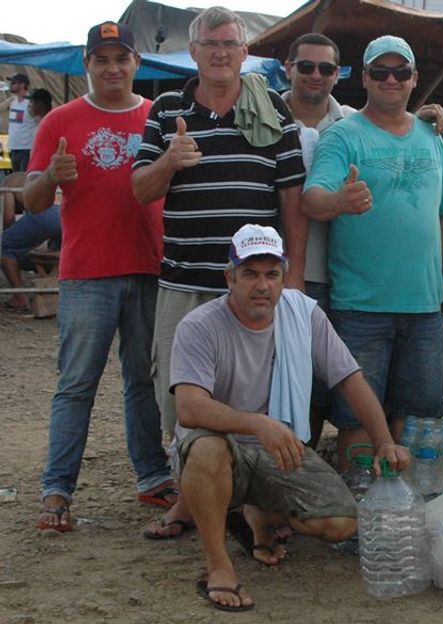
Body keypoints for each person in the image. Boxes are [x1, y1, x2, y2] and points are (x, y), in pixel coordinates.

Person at [132, 7, 306, 536]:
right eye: (210, 43)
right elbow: (141, 190)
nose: (221, 52)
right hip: (187, 279)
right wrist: (171, 160)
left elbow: (291, 198)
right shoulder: (166, 109)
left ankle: (249, 499)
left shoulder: (272, 109)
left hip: (255, 284)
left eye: (230, 43)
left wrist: (292, 279)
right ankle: (188, 500)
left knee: (253, 393)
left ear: (244, 51)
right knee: (177, 395)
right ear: (194, 51)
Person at [173, 224, 409, 611]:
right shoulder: (200, 325)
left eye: (271, 274)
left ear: (284, 276)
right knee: (206, 449)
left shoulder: (303, 314)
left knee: (340, 523)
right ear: (229, 277)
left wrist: (384, 442)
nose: (261, 285)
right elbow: (190, 408)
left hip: (277, 451)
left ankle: (260, 516)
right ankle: (218, 566)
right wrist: (258, 423)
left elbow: (350, 379)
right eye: (249, 273)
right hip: (223, 451)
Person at [23, 22, 174, 532]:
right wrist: (50, 178)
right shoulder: (60, 122)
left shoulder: (158, 117)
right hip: (87, 272)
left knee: (143, 382)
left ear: (136, 63)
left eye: (121, 58)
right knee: (76, 384)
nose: (113, 68)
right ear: (88, 64)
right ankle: (57, 489)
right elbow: (31, 202)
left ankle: (152, 476)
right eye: (102, 59)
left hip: (150, 266)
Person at [282, 32, 443, 448]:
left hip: (425, 306)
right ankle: (360, 504)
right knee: (355, 420)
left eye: (400, 72)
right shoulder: (341, 135)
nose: (391, 80)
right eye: (380, 72)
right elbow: (311, 200)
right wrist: (339, 200)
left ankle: (400, 506)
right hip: (361, 306)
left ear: (414, 78)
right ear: (364, 78)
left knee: (416, 418)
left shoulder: (432, 135)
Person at [1, 172, 61, 313]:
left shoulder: (7, 181)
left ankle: (19, 297)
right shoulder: (29, 177)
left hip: (48, 213)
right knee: (55, 248)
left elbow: (9, 218)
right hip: (66, 211)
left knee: (5, 247)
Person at [2, 73, 38, 172]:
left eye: (13, 83)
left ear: (22, 85)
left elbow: (40, 121)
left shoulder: (31, 103)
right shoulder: (12, 101)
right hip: (13, 148)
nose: (11, 85)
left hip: (26, 148)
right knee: (16, 178)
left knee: (24, 179)